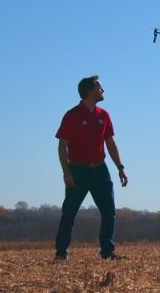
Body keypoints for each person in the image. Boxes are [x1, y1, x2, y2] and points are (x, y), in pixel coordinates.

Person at [54, 75, 128, 260]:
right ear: (90, 91)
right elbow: (62, 146)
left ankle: (107, 252)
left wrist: (120, 167)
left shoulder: (104, 115)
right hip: (78, 170)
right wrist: (66, 172)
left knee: (109, 211)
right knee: (69, 212)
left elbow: (110, 143)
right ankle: (61, 253)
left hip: (100, 170)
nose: (103, 90)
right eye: (99, 87)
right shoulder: (72, 115)